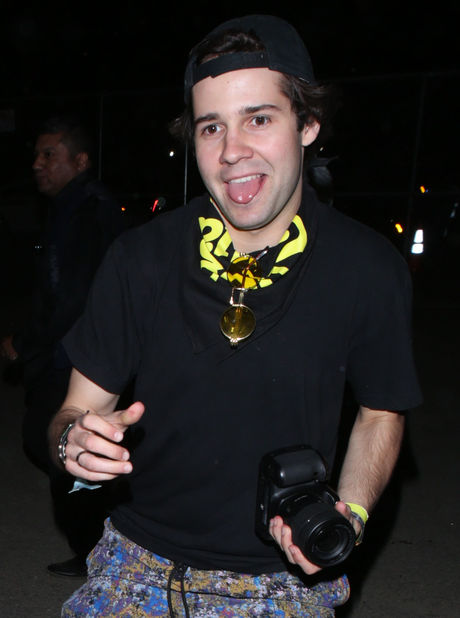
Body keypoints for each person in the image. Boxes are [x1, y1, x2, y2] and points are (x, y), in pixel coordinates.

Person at [48, 15, 422, 616]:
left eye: (259, 119)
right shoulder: (139, 257)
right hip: (134, 563)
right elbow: (73, 411)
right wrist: (73, 441)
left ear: (308, 124)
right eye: (212, 127)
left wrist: (348, 513)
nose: (231, 151)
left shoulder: (368, 268)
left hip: (280, 581)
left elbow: (381, 413)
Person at [1, 114, 127, 577]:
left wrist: (26, 343)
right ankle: (98, 546)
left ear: (80, 160)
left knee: (58, 444)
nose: (37, 164)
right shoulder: (67, 208)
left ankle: (100, 549)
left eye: (49, 154)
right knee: (57, 445)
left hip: (80, 357)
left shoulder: (90, 211)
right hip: (69, 351)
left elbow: (74, 297)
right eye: (36, 154)